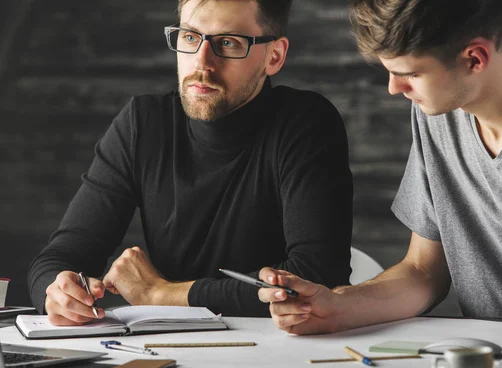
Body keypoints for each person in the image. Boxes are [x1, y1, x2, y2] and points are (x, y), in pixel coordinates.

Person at [258, 0, 502, 335]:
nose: (394, 88)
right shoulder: (436, 116)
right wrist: (335, 306)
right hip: (493, 362)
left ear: (474, 58)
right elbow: (424, 271)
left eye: (409, 74)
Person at [28, 0, 353, 326]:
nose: (202, 62)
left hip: (284, 354)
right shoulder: (143, 124)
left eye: (228, 43)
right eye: (189, 37)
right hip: (171, 355)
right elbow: (60, 257)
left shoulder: (306, 123)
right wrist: (56, 291)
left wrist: (160, 294)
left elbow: (317, 277)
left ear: (274, 56)